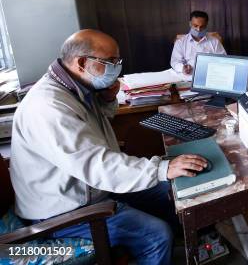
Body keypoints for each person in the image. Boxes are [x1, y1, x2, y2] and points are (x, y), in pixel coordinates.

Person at [10, 30, 209, 265]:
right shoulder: (49, 106)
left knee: (172, 193)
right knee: (157, 235)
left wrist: (105, 100)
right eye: (111, 62)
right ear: (83, 63)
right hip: (64, 210)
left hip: (91, 188)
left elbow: (94, 127)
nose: (117, 68)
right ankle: (156, 250)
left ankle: (190, 251)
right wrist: (162, 169)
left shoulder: (75, 87)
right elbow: (97, 167)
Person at [170, 10, 226, 75]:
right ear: (190, 24)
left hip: (209, 74)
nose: (198, 29)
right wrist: (182, 68)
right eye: (195, 26)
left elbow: (223, 60)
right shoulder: (180, 42)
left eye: (202, 26)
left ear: (206, 25)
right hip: (188, 76)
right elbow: (175, 62)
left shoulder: (214, 41)